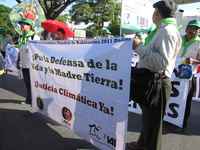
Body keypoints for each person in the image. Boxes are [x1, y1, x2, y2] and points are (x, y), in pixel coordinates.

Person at [128, 1, 181, 150]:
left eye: (154, 12)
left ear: (157, 13)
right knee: (148, 119)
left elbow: (160, 63)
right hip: (151, 80)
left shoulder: (167, 31)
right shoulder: (161, 30)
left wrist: (139, 46)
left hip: (157, 82)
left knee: (154, 124)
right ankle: (142, 144)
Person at [178, 20, 200, 128]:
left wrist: (192, 61)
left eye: (196, 29)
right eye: (191, 28)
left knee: (185, 101)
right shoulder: (179, 39)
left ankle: (182, 124)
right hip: (175, 74)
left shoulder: (199, 42)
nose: (193, 30)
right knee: (172, 98)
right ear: (186, 29)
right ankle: (170, 119)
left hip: (189, 77)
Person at [18, 17, 36, 105]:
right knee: (27, 83)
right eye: (21, 24)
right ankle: (29, 99)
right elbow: (20, 49)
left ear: (29, 26)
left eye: (23, 24)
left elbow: (37, 51)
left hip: (32, 65)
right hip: (24, 64)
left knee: (32, 83)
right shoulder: (22, 36)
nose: (21, 26)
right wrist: (18, 61)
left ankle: (34, 100)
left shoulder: (34, 36)